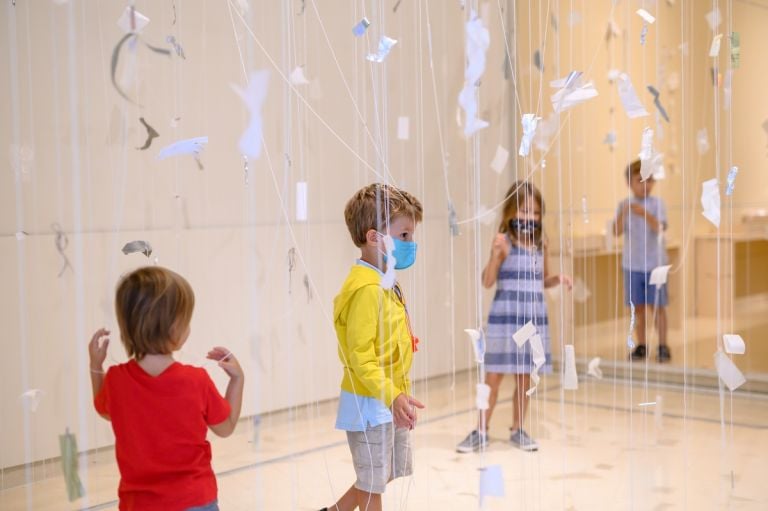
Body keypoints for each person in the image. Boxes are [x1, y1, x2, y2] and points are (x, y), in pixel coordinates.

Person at [88, 266, 244, 511]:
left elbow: (104, 409)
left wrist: (95, 366)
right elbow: (226, 427)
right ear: (174, 328)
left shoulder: (117, 380)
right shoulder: (196, 381)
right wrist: (237, 380)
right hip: (195, 500)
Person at [320, 183, 425, 511]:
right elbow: (360, 356)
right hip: (370, 401)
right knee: (372, 486)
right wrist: (391, 394)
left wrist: (399, 392)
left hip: (387, 395)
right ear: (373, 237)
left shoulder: (385, 281)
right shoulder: (366, 290)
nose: (411, 243)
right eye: (404, 235)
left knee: (383, 474)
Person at [457, 181, 571, 453]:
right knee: (492, 377)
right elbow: (487, 281)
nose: (529, 217)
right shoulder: (504, 242)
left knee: (524, 379)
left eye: (535, 212)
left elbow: (542, 279)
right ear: (509, 211)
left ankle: (518, 428)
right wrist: (496, 256)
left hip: (532, 319)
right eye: (523, 210)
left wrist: (558, 279)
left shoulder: (541, 244)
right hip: (503, 319)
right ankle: (481, 430)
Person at [613, 160, 670, 362]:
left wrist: (644, 214)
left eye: (650, 180)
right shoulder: (623, 205)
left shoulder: (657, 204)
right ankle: (642, 345)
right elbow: (615, 232)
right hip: (632, 265)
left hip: (655, 264)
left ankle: (663, 345)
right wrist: (624, 213)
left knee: (658, 306)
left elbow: (661, 228)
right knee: (637, 308)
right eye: (640, 181)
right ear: (629, 183)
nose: (645, 185)